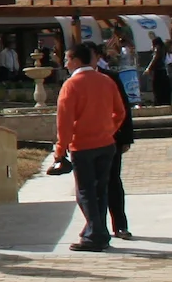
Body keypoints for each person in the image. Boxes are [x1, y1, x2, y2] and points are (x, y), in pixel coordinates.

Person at [52, 42, 126, 252]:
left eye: (67, 59)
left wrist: (60, 150)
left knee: (85, 192)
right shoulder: (106, 81)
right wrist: (108, 129)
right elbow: (120, 112)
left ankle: (95, 234)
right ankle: (98, 232)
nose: (65, 64)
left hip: (82, 146)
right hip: (106, 143)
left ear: (76, 60)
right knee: (100, 191)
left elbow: (64, 122)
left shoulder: (71, 85)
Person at [98, 52, 135, 241]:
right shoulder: (74, 80)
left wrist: (126, 138)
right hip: (86, 142)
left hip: (112, 139)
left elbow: (123, 108)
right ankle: (97, 228)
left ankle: (120, 225)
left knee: (113, 181)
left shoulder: (110, 78)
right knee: (92, 187)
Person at [145, 41, 172, 108]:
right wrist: (149, 69)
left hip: (160, 72)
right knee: (161, 90)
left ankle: (161, 103)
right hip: (160, 72)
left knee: (160, 90)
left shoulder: (162, 52)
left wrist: (149, 69)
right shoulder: (161, 51)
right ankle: (163, 103)